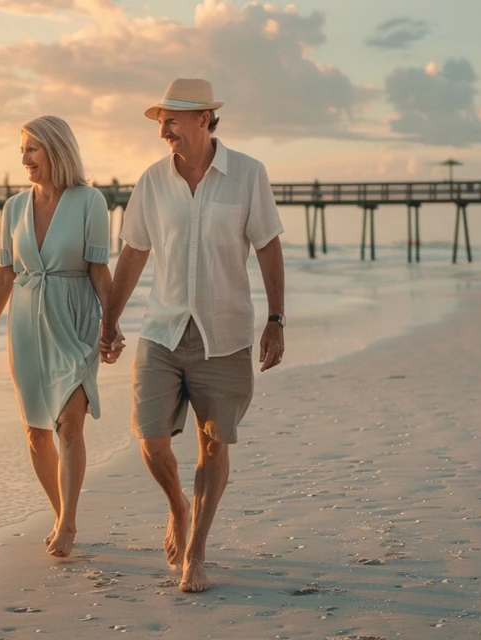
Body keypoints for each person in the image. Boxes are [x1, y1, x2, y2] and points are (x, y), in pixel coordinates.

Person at [101, 78, 287, 592]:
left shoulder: (248, 174)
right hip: (162, 329)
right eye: (161, 119)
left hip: (224, 334)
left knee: (213, 445)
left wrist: (276, 319)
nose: (163, 130)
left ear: (204, 118)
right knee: (150, 437)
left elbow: (269, 246)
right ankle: (177, 505)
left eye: (173, 119)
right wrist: (109, 320)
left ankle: (197, 552)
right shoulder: (153, 181)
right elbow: (134, 252)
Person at [0, 115, 114, 558]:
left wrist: (112, 325)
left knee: (69, 423)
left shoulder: (90, 201)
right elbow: (4, 272)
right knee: (36, 432)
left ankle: (68, 525)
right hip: (26, 324)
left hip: (73, 320)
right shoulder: (14, 207)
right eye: (22, 149)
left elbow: (98, 269)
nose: (25, 158)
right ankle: (61, 514)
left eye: (32, 148)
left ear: (56, 149)